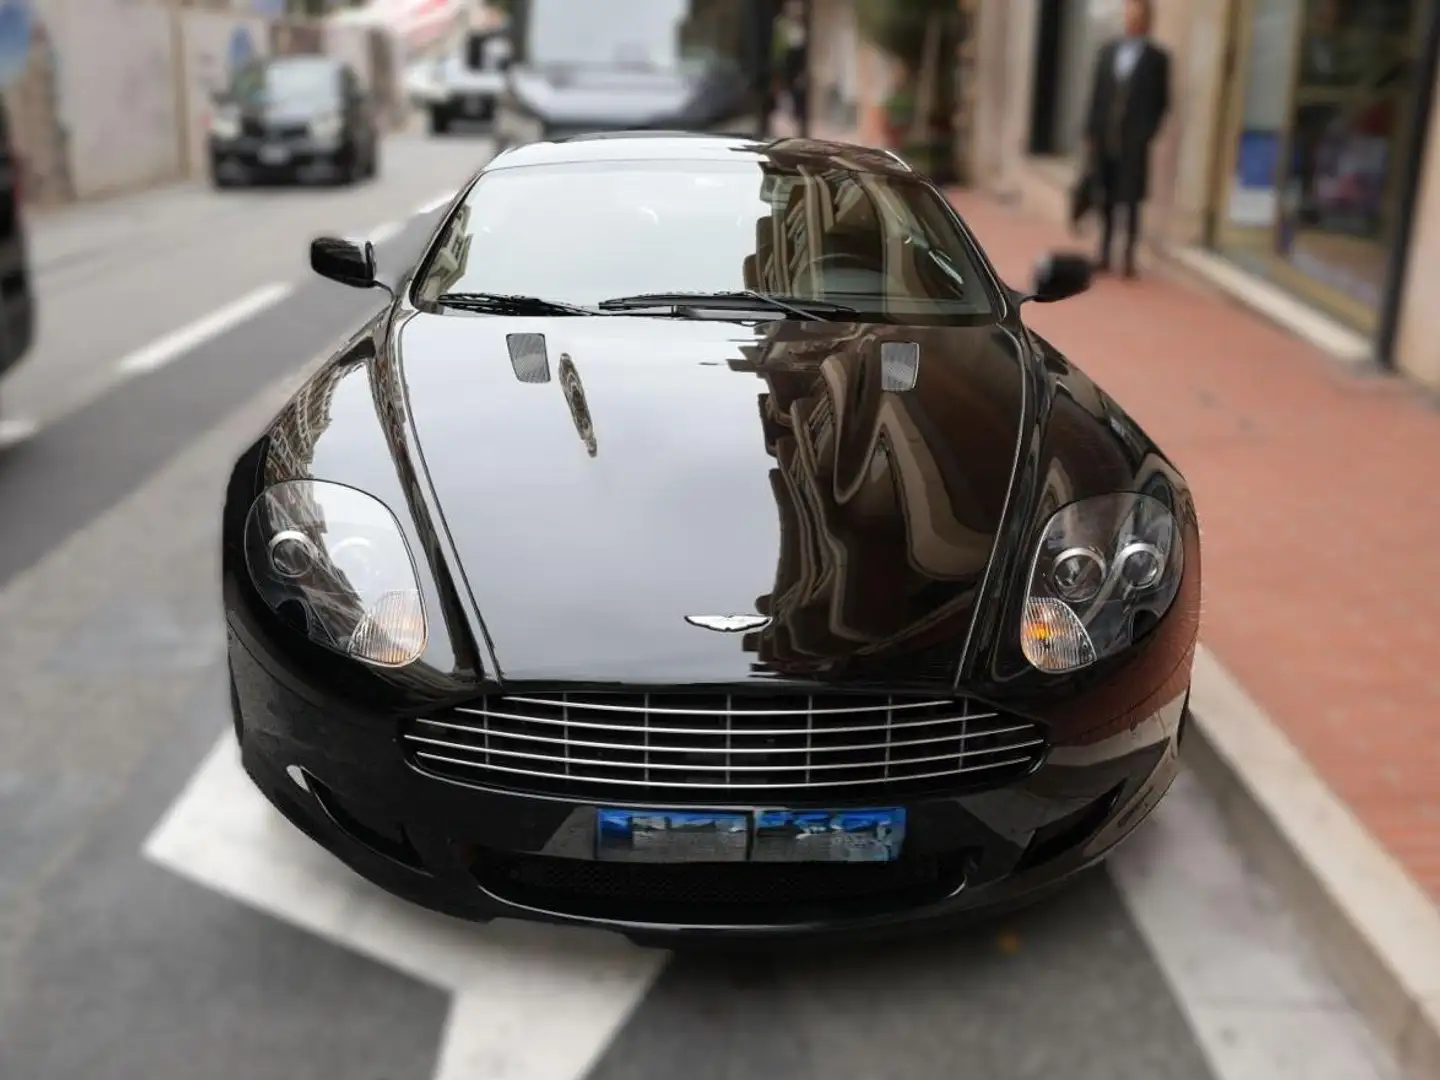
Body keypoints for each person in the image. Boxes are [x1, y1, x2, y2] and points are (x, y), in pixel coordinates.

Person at [1082, 0, 1171, 278]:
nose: (1132, 20)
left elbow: (1162, 101)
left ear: (1147, 20)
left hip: (1134, 139)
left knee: (1131, 199)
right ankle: (1105, 252)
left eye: (1138, 15)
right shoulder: (1109, 52)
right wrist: (1091, 131)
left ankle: (1128, 257)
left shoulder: (1157, 58)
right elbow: (1097, 95)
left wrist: (1146, 133)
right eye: (1129, 14)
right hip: (1106, 135)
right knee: (1106, 194)